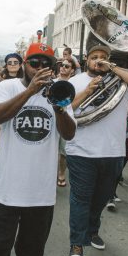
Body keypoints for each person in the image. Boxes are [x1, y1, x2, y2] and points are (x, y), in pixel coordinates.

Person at [0, 42, 76, 256]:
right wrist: (30, 91)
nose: (40, 68)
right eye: (35, 63)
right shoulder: (7, 87)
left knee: (32, 251)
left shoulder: (62, 91)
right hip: (6, 189)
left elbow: (69, 133)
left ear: (54, 67)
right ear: (24, 64)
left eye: (47, 64)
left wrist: (59, 107)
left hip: (41, 192)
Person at [66, 44, 128, 256]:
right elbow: (65, 110)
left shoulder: (121, 81)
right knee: (81, 199)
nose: (98, 61)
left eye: (103, 57)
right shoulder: (74, 82)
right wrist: (87, 92)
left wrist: (112, 67)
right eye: (94, 57)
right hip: (81, 151)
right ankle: (76, 243)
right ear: (86, 60)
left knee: (101, 198)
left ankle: (92, 230)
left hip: (113, 151)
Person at [56, 58, 76, 187]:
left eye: (67, 66)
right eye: (62, 65)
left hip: (67, 119)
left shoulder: (75, 84)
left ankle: (61, 173)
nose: (63, 68)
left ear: (72, 70)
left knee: (63, 152)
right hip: (54, 119)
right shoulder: (51, 82)